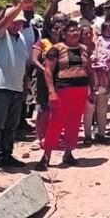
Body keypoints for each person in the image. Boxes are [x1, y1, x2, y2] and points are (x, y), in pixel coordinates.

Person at [0, 0, 36, 169]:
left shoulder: (20, 38)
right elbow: (5, 20)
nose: (17, 24)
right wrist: (21, 5)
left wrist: (25, 83)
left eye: (20, 22)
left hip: (16, 87)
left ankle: (6, 155)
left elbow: (22, 62)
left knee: (11, 125)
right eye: (14, 21)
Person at [38, 20, 93, 170]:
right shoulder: (56, 49)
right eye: (71, 30)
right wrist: (51, 92)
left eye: (77, 30)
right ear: (64, 34)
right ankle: (46, 156)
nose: (75, 33)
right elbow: (48, 71)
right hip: (62, 90)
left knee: (75, 122)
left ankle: (68, 152)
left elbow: (89, 70)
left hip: (81, 90)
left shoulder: (83, 49)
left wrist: (91, 89)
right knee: (55, 122)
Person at [90, 19, 110, 143]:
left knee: (102, 106)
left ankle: (101, 132)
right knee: (93, 107)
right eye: (106, 29)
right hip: (98, 66)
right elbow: (96, 48)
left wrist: (109, 57)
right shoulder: (100, 39)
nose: (108, 31)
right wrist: (96, 56)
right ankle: (91, 132)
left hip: (108, 66)